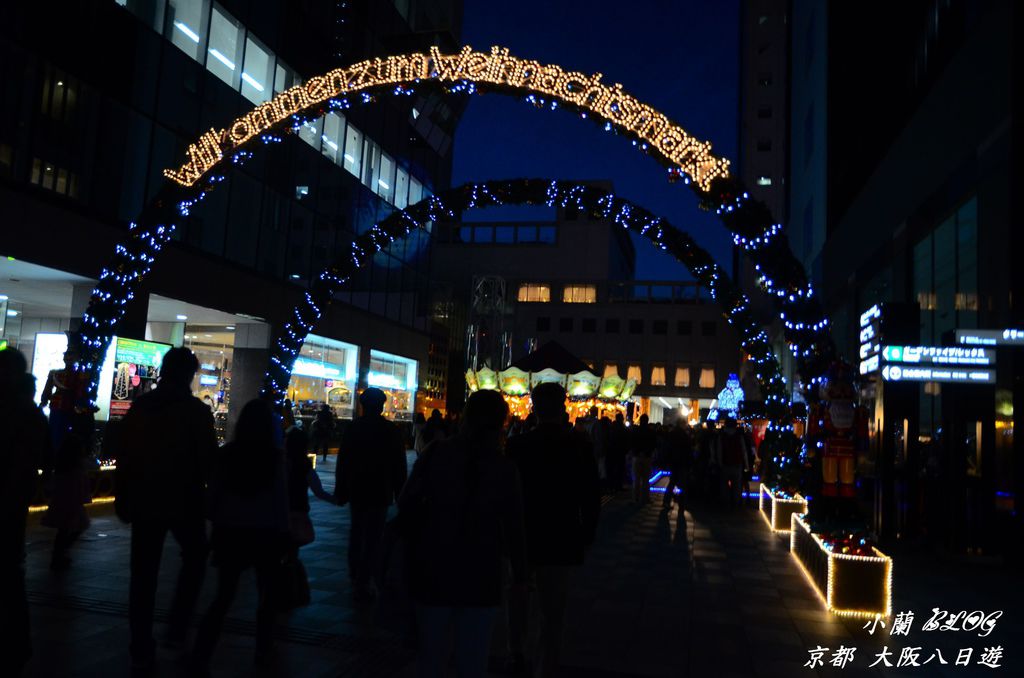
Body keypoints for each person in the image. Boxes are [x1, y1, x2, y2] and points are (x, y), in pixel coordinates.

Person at [399, 390, 526, 678]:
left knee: (431, 656)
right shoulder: (503, 468)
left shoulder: (435, 454)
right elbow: (515, 526)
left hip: (433, 564)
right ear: (500, 423)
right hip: (481, 570)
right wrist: (520, 574)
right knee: (474, 658)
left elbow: (406, 503)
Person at [115, 347, 218, 671]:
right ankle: (177, 624)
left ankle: (140, 642)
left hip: (146, 497)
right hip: (184, 498)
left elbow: (125, 455)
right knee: (196, 558)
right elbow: (208, 463)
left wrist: (123, 495)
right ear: (189, 375)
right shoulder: (196, 412)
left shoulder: (142, 406)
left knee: (143, 574)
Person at [505, 383, 601, 677]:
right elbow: (590, 496)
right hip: (562, 533)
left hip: (524, 533)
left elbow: (507, 495)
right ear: (563, 407)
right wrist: (587, 533)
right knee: (554, 608)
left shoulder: (517, 446)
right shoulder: (580, 445)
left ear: (534, 408)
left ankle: (516, 650)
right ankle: (546, 664)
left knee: (519, 593)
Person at [192, 399, 290, 670]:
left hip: (231, 532)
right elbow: (281, 503)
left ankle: (201, 652)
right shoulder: (274, 459)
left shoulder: (228, 455)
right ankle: (263, 650)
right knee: (266, 597)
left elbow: (211, 498)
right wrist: (284, 533)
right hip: (266, 534)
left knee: (223, 596)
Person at [0, 348, 50, 676]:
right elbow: (48, 457)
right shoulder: (29, 415)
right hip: (12, 502)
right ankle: (15, 646)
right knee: (9, 573)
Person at [334, 387, 407, 601]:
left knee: (357, 530)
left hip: (357, 486)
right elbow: (399, 465)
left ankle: (356, 573)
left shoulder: (353, 428)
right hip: (380, 488)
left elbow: (344, 460)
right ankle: (366, 577)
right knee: (374, 535)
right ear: (382, 405)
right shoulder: (391, 431)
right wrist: (400, 491)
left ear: (363, 405)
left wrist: (341, 487)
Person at [42, 433, 91, 570]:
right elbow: (82, 482)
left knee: (64, 529)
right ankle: (60, 552)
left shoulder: (62, 466)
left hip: (62, 501)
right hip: (73, 502)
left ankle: (59, 553)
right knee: (74, 527)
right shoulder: (79, 465)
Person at [39, 346, 88, 450]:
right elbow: (47, 388)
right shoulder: (55, 373)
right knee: (54, 433)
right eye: (67, 355)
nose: (69, 358)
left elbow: (80, 391)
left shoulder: (79, 374)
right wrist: (44, 400)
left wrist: (80, 405)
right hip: (57, 407)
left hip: (70, 407)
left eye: (71, 356)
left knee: (66, 435)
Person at [713, 417, 750, 508]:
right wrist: (746, 464)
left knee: (724, 486)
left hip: (725, 464)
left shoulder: (722, 436)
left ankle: (726, 503)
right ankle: (736, 503)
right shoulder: (739, 436)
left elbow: (719, 451)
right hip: (737, 464)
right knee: (737, 486)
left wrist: (719, 463)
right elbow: (744, 451)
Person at [663, 421, 694, 508]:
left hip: (673, 461)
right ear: (682, 424)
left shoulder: (672, 434)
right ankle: (682, 503)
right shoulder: (685, 435)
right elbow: (688, 450)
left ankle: (666, 501)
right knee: (683, 484)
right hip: (682, 462)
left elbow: (668, 448)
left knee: (672, 482)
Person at [630, 414, 657, 504]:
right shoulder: (650, 431)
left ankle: (635, 498)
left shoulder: (635, 431)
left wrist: (636, 452)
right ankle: (645, 498)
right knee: (646, 479)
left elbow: (631, 443)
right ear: (647, 420)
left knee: (636, 479)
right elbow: (653, 444)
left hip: (636, 456)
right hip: (647, 457)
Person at [605, 413, 628, 492]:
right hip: (620, 451)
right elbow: (625, 440)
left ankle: (611, 486)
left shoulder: (611, 427)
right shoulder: (622, 428)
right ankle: (618, 486)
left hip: (612, 451)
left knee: (612, 469)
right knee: (619, 470)